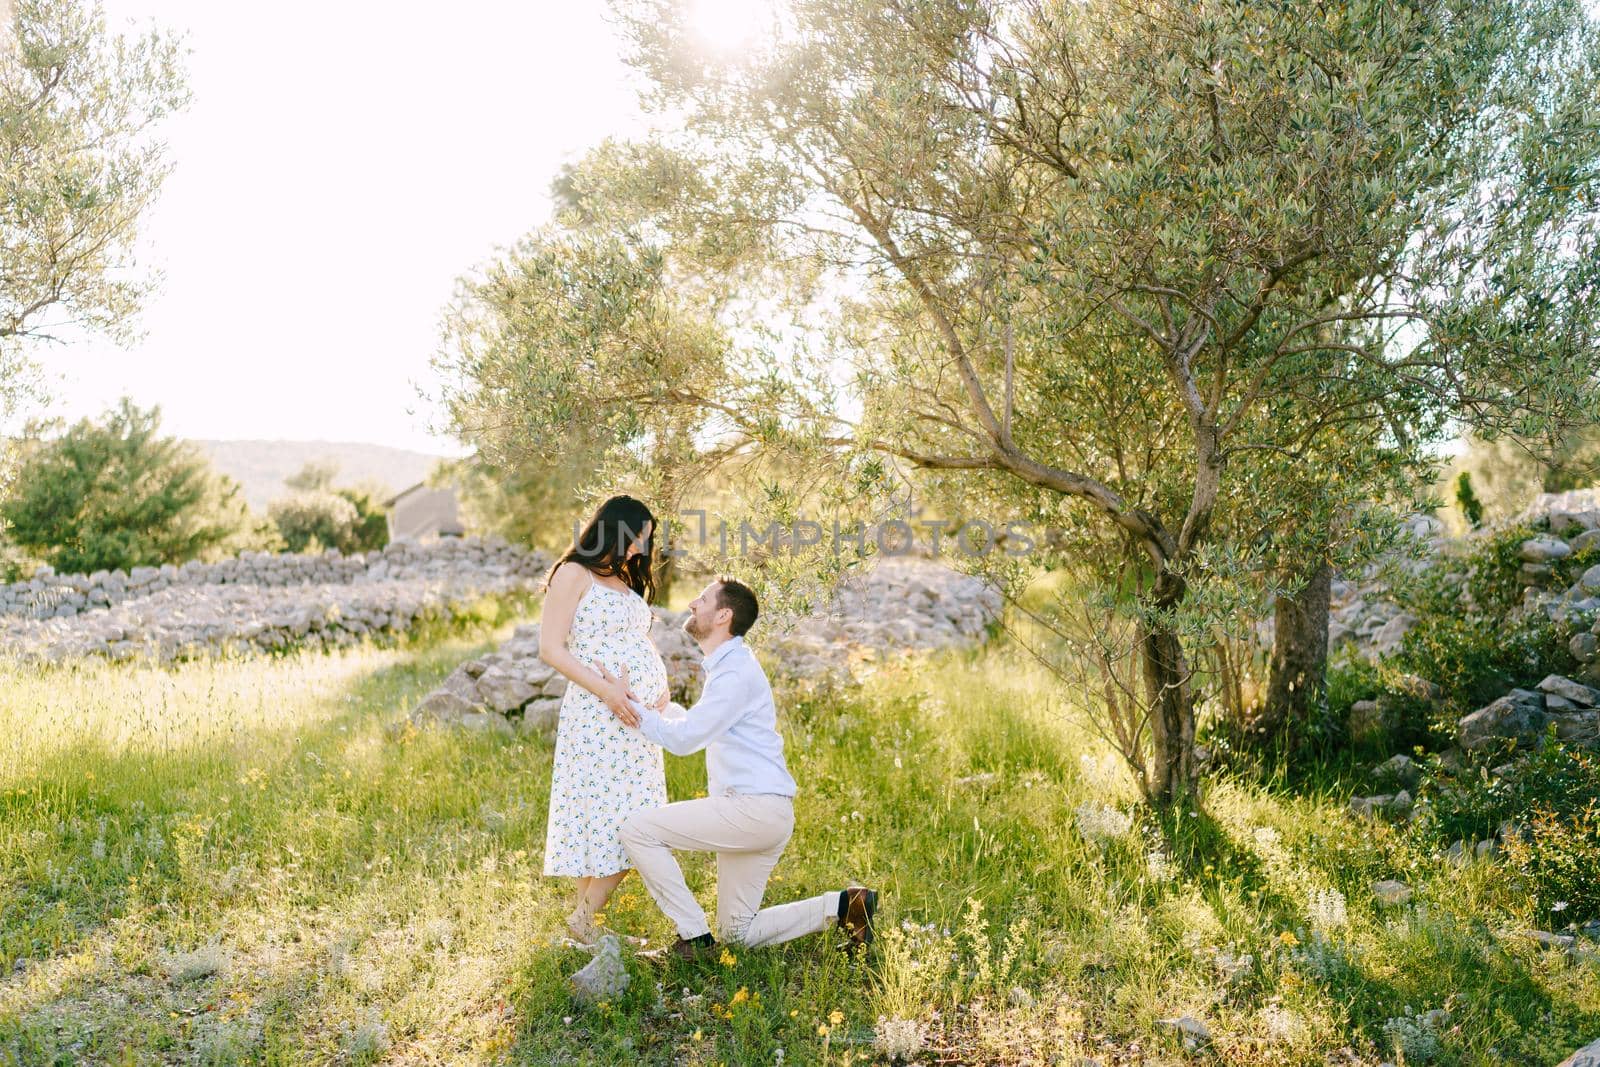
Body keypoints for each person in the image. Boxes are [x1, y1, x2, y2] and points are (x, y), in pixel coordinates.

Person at [595, 577, 878, 960]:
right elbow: (698, 727)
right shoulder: (731, 667)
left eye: (704, 598)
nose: (693, 604)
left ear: (723, 615)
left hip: (752, 810)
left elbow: (683, 741)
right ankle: (844, 906)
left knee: (637, 831)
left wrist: (630, 708)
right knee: (738, 934)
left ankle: (694, 938)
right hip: (763, 814)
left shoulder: (734, 673)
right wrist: (655, 710)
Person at [538, 494, 668, 945]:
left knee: (625, 818)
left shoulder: (619, 579)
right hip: (598, 715)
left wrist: (661, 689)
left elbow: (637, 641)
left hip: (636, 720)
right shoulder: (573, 573)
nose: (640, 551)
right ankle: (582, 922)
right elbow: (551, 649)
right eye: (637, 539)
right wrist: (609, 691)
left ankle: (585, 929)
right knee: (624, 822)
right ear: (615, 529)